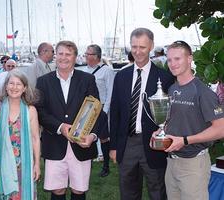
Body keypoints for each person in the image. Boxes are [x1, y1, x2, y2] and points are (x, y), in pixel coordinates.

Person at [152, 40, 224, 200]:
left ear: (189, 58)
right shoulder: (172, 89)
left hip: (193, 163)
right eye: (169, 59)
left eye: (177, 59)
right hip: (171, 162)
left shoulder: (203, 92)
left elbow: (220, 129)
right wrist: (160, 132)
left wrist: (185, 140)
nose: (172, 64)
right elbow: (175, 120)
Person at [109, 28, 175, 200]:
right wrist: (114, 146)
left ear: (151, 46)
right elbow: (114, 113)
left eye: (142, 47)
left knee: (158, 191)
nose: (137, 52)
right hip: (127, 143)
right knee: (128, 192)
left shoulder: (165, 78)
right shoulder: (121, 76)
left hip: (154, 144)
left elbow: (171, 115)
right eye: (134, 47)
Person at [35, 40, 101, 200]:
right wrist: (60, 127)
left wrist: (92, 136)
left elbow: (96, 111)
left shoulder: (87, 79)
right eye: (61, 53)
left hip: (81, 144)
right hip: (54, 143)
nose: (64, 58)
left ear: (75, 57)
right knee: (57, 191)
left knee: (79, 190)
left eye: (68, 54)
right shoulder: (43, 81)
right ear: (55, 55)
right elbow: (40, 112)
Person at [0, 68, 40, 200]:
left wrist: (37, 164)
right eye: (11, 83)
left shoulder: (31, 110)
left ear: (24, 88)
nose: (14, 87)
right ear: (6, 86)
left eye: (19, 84)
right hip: (2, 163)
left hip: (24, 165)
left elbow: (36, 139)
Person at [81, 44, 115, 177]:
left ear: (96, 56)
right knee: (85, 135)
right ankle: (85, 164)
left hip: (101, 108)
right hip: (86, 109)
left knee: (103, 138)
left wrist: (105, 111)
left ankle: (106, 166)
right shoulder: (84, 70)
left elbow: (111, 91)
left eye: (88, 54)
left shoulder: (107, 71)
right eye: (86, 54)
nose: (86, 56)